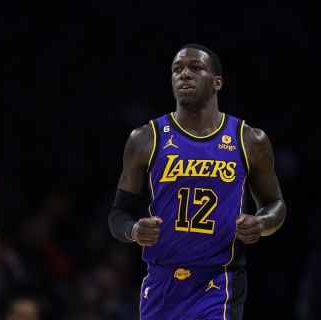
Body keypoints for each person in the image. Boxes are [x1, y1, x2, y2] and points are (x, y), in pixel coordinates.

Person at [108, 43, 286, 320]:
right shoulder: (145, 138)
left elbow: (275, 204)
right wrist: (133, 230)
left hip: (218, 280)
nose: (184, 75)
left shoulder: (250, 139)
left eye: (195, 68)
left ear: (217, 83)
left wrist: (261, 223)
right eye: (177, 69)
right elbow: (118, 215)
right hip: (162, 279)